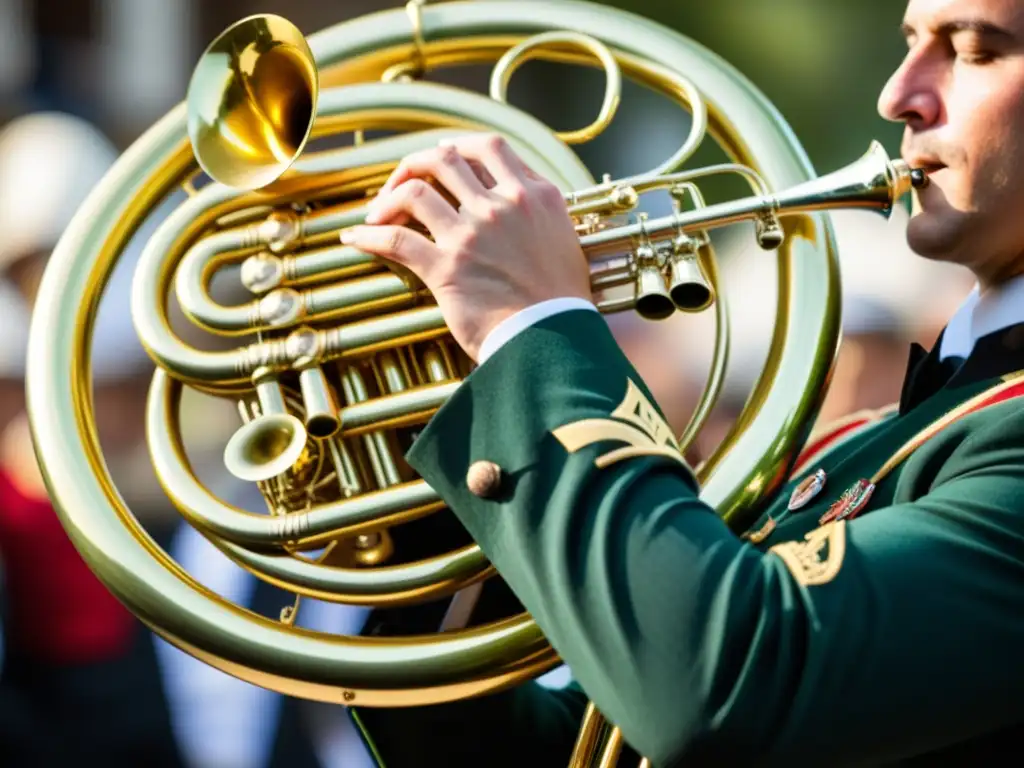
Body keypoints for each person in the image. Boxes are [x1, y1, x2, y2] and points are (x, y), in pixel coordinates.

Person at [335, 0, 1024, 764]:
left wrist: (532, 333)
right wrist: (451, 422)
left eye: (973, 50)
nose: (897, 96)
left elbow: (722, 686)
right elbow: (563, 748)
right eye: (908, 44)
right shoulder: (872, 439)